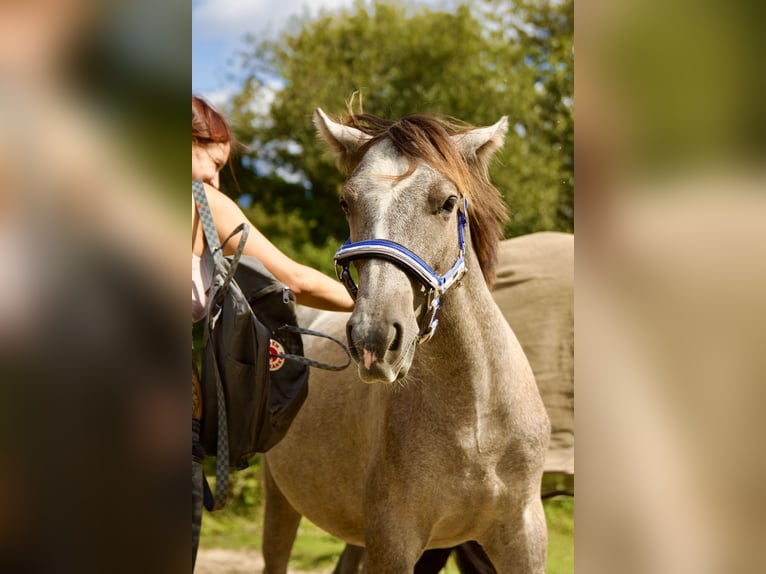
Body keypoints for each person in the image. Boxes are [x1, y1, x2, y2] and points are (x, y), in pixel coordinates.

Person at [191, 95, 354, 569]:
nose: (218, 179)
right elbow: (296, 280)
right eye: (215, 161)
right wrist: (370, 304)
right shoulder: (201, 203)